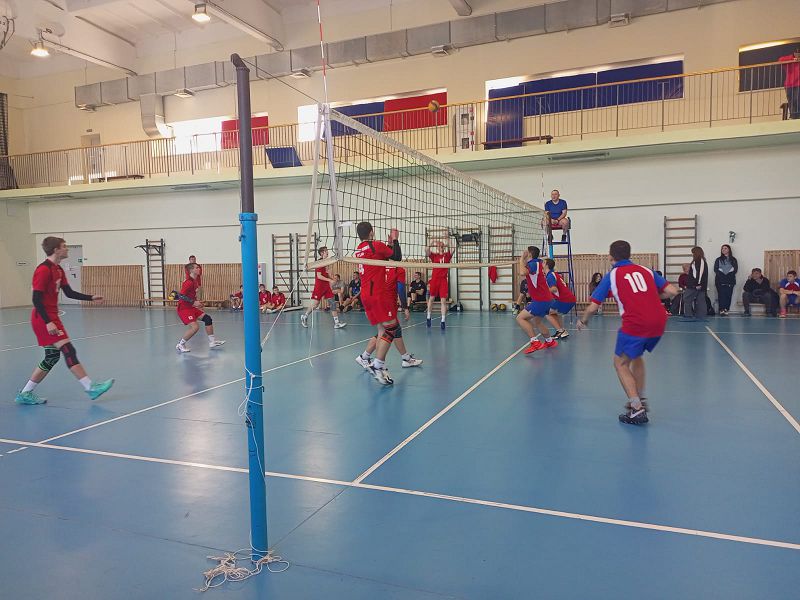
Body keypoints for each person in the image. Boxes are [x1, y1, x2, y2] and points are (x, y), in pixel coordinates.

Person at [577, 240, 679, 425]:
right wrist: (651, 296)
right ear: (629, 254)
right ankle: (640, 397)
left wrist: (583, 320)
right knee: (636, 356)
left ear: (611, 256)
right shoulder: (645, 270)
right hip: (659, 320)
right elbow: (672, 290)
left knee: (620, 363)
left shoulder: (612, 275)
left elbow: (593, 307)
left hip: (636, 323)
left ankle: (637, 409)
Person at [15, 237, 115, 405]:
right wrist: (48, 322)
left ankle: (25, 393)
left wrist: (91, 297)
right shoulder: (43, 270)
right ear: (56, 250)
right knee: (68, 350)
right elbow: (36, 299)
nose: (67, 249)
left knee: (52, 357)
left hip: (51, 316)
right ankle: (90, 387)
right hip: (43, 318)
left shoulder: (58, 269)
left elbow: (69, 293)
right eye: (64, 246)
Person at [353, 222, 402, 385]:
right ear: (372, 232)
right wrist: (395, 240)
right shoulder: (376, 245)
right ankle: (377, 365)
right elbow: (397, 258)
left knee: (382, 329)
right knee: (392, 328)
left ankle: (369, 359)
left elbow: (383, 257)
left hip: (366, 294)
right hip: (378, 294)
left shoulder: (359, 249)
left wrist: (389, 244)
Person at [356, 262, 423, 371]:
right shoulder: (398, 269)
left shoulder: (378, 265)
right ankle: (378, 362)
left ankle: (365, 357)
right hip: (387, 304)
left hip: (374, 300)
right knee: (391, 330)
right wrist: (405, 307)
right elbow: (400, 289)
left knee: (387, 330)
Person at [515, 246, 557, 354]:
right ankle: (549, 341)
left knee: (520, 318)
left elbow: (522, 273)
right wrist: (525, 261)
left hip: (541, 300)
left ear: (529, 254)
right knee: (537, 322)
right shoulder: (538, 263)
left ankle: (535, 342)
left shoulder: (533, 263)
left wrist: (521, 259)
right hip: (546, 299)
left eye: (526, 251)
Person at [176, 263, 225, 353]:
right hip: (184, 309)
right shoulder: (188, 282)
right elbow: (180, 296)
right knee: (195, 327)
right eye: (197, 268)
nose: (199, 269)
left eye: (199, 267)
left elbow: (190, 296)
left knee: (207, 319)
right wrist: (193, 302)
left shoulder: (195, 281)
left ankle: (212, 342)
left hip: (191, 307)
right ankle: (180, 344)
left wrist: (198, 303)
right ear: (191, 270)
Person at [301, 246, 346, 329]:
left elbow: (327, 274)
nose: (327, 252)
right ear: (322, 253)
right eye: (326, 251)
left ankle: (336, 323)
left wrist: (332, 277)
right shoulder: (319, 263)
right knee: (315, 304)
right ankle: (305, 316)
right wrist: (329, 280)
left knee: (332, 303)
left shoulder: (326, 262)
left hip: (326, 286)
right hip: (319, 286)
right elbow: (319, 276)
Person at [544, 258, 576, 339]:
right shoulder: (553, 274)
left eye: (543, 262)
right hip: (567, 299)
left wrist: (542, 291)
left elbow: (554, 289)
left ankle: (560, 331)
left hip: (565, 300)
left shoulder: (550, 276)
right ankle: (562, 331)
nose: (541, 264)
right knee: (553, 312)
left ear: (546, 265)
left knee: (546, 312)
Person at [426, 239, 452, 330]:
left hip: (443, 280)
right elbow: (426, 250)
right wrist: (431, 243)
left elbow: (453, 249)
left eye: (442, 245)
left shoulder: (447, 255)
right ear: (437, 247)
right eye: (439, 246)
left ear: (444, 247)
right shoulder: (434, 256)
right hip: (434, 280)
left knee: (443, 301)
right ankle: (428, 317)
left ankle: (443, 321)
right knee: (431, 299)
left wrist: (448, 238)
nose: (440, 247)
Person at [682, 246, 708, 321]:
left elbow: (699, 273)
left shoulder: (700, 261)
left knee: (687, 298)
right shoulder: (698, 261)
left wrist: (697, 284)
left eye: (693, 253)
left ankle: (689, 315)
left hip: (695, 284)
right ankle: (701, 315)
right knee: (700, 299)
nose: (692, 254)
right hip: (697, 284)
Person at [713, 244, 738, 316]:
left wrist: (728, 275)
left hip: (730, 280)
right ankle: (721, 310)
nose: (723, 250)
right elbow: (716, 269)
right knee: (721, 295)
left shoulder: (733, 259)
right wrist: (723, 275)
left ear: (729, 250)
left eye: (725, 248)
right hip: (720, 280)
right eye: (722, 248)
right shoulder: (718, 259)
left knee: (728, 295)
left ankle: (726, 309)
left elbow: (735, 270)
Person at [779, 44, 800, 119]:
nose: (798, 55)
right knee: (791, 100)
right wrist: (792, 58)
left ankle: (797, 115)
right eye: (796, 53)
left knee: (797, 99)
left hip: (798, 83)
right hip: (789, 84)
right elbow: (780, 60)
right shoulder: (790, 59)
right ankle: (793, 116)